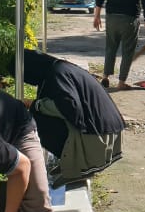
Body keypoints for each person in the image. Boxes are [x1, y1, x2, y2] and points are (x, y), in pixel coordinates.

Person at [23, 50, 125, 186]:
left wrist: (34, 104)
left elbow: (69, 108)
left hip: (100, 139)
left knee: (36, 119)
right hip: (108, 133)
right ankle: (72, 162)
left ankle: (79, 167)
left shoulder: (57, 74)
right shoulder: (60, 69)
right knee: (41, 112)